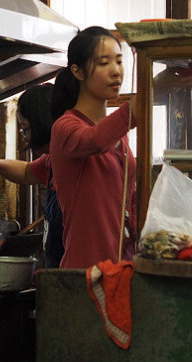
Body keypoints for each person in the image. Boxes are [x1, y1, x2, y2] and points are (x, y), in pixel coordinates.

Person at [49, 26, 139, 269]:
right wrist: (135, 108)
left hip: (122, 269)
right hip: (86, 272)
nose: (116, 71)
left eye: (119, 61)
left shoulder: (119, 134)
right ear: (77, 72)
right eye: (104, 63)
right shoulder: (65, 127)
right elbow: (94, 140)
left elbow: (129, 199)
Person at [0, 83, 64, 268]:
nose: (24, 136)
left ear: (41, 124)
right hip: (58, 273)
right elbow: (27, 172)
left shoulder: (73, 163)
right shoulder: (52, 160)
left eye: (26, 129)